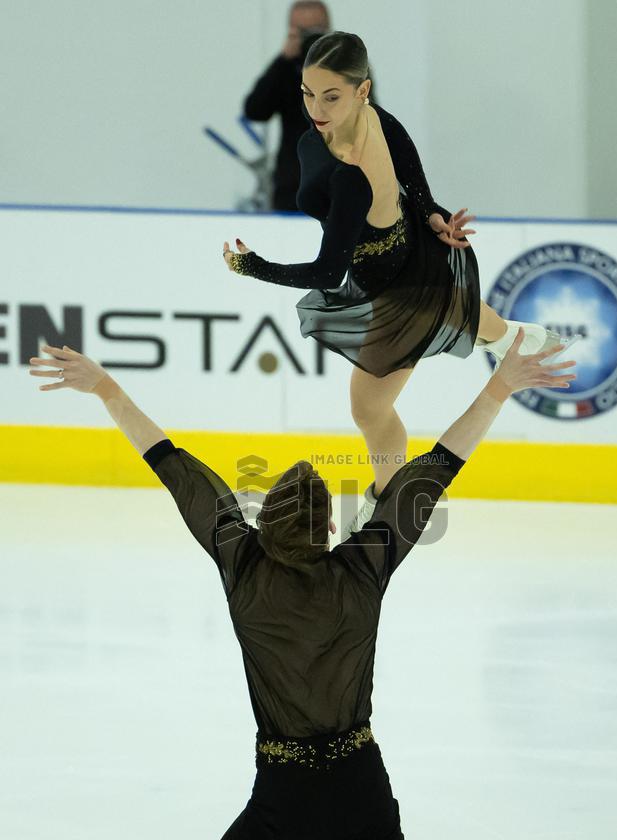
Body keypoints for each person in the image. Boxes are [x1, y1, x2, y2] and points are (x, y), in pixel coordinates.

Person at [28, 332, 575, 840]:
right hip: (361, 787)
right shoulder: (365, 564)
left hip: (285, 800)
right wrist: (498, 387)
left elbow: (171, 465)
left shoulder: (241, 562)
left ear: (264, 523)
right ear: (325, 530)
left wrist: (107, 388)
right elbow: (438, 466)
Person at [225, 31, 567, 539]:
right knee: (461, 315)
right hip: (410, 248)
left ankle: (388, 505)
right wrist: (430, 212)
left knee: (369, 406)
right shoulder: (373, 117)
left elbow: (326, 274)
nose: (315, 108)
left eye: (331, 96)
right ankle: (517, 338)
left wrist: (253, 267)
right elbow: (409, 166)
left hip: (397, 289)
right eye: (307, 93)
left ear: (363, 90)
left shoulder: (349, 175)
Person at [243, 1, 332, 211]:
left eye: (316, 31)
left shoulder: (349, 68)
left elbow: (368, 113)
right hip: (292, 183)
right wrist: (283, 60)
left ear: (329, 30)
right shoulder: (285, 68)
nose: (311, 38)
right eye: (302, 32)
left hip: (338, 180)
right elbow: (255, 110)